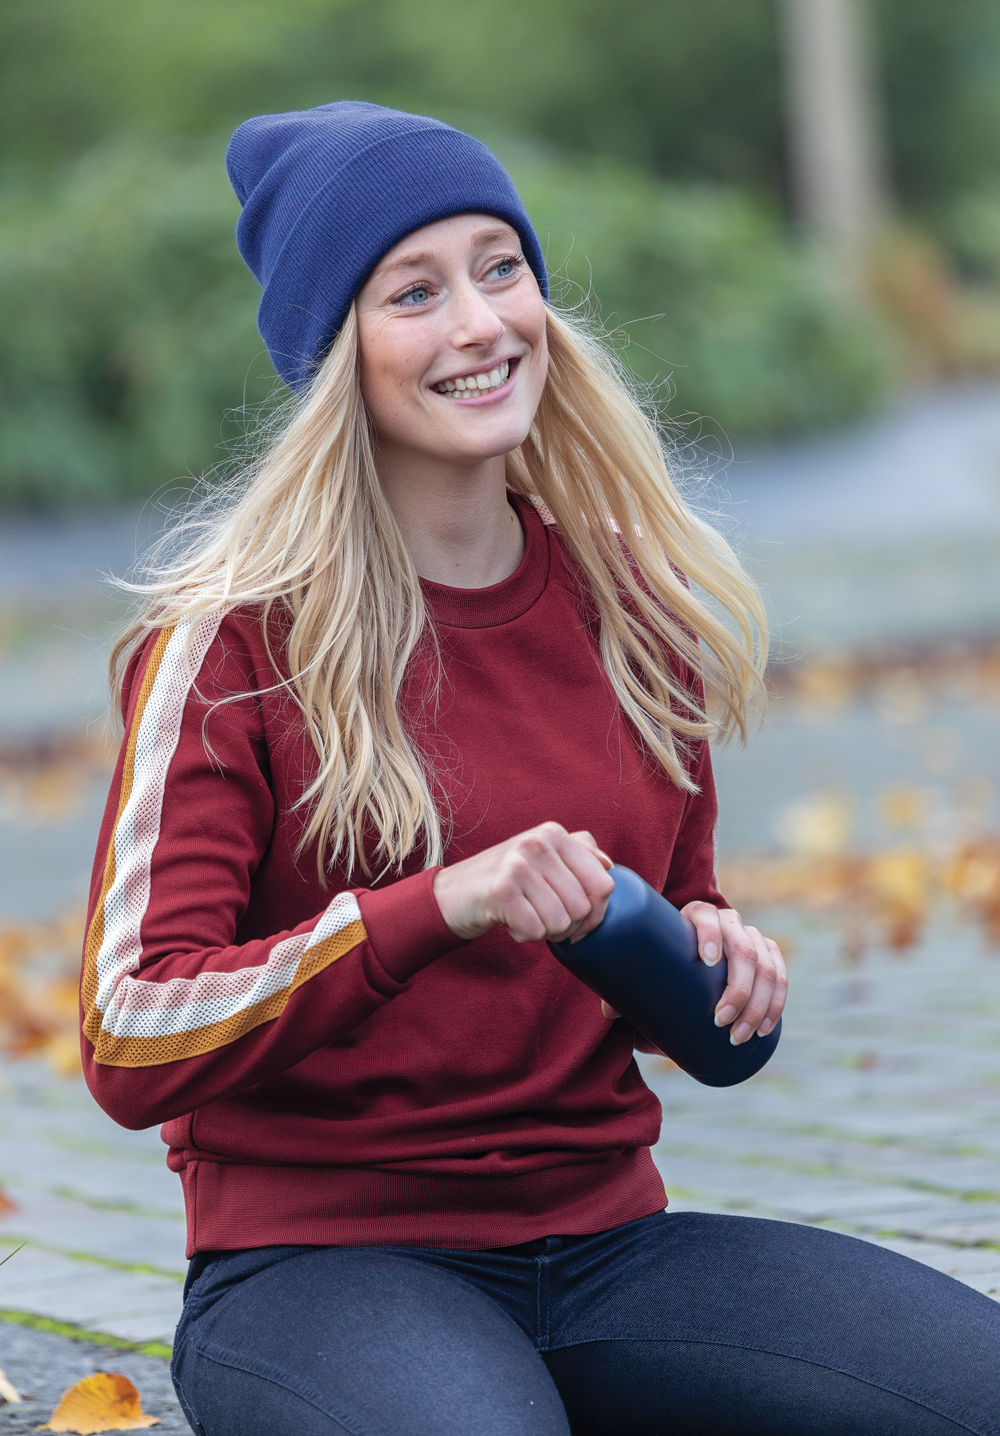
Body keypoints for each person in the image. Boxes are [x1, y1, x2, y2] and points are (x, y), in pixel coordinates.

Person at [82, 103, 1000, 1436]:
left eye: (500, 267)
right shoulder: (232, 644)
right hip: (318, 1272)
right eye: (414, 291)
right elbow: (130, 1032)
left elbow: (682, 963)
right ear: (337, 353)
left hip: (608, 1249)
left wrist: (715, 961)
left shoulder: (631, 610)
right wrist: (434, 907)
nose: (480, 323)